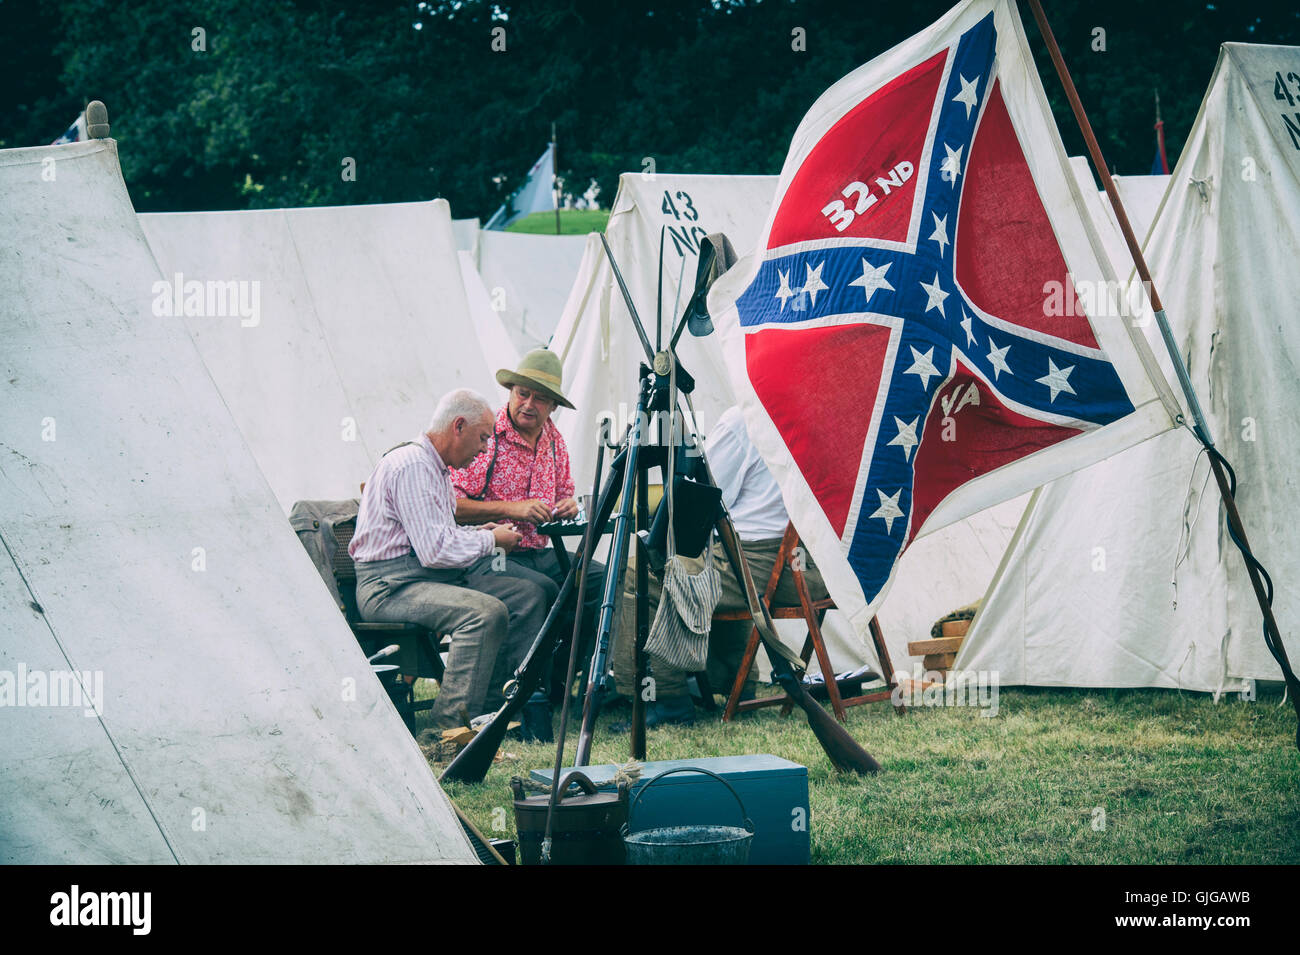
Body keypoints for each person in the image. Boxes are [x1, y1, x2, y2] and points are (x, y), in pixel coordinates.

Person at [612, 405, 831, 726]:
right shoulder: (818, 416)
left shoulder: (743, 421)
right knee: (714, 561)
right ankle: (734, 683)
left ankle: (664, 697)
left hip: (762, 564)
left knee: (640, 574)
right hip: (811, 571)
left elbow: (700, 494)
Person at [349, 388, 549, 730]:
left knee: (527, 595)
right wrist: (490, 540)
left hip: (421, 576)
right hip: (390, 586)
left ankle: (492, 713)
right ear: (459, 426)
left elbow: (436, 538)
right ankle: (447, 730)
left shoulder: (434, 468)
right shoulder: (412, 466)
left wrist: (478, 533)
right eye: (483, 437)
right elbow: (435, 551)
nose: (485, 448)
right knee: (483, 614)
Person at [450, 348, 606, 697]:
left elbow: (565, 495)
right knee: (540, 591)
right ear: (511, 392)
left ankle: (562, 684)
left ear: (553, 407)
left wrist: (568, 506)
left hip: (538, 552)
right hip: (486, 554)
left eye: (542, 399)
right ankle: (516, 696)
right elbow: (453, 506)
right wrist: (513, 508)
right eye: (524, 393)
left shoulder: (554, 441)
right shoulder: (486, 433)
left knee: (601, 581)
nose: (529, 404)